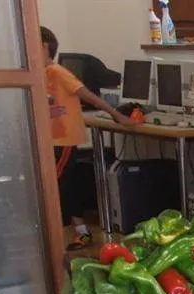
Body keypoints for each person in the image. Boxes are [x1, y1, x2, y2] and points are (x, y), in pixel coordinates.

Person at [40, 26, 133, 251]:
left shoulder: (58, 72)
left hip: (64, 140)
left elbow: (88, 95)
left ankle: (79, 232)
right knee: (61, 186)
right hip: (50, 139)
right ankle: (72, 232)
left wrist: (117, 115)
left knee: (59, 186)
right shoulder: (39, 75)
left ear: (43, 48)